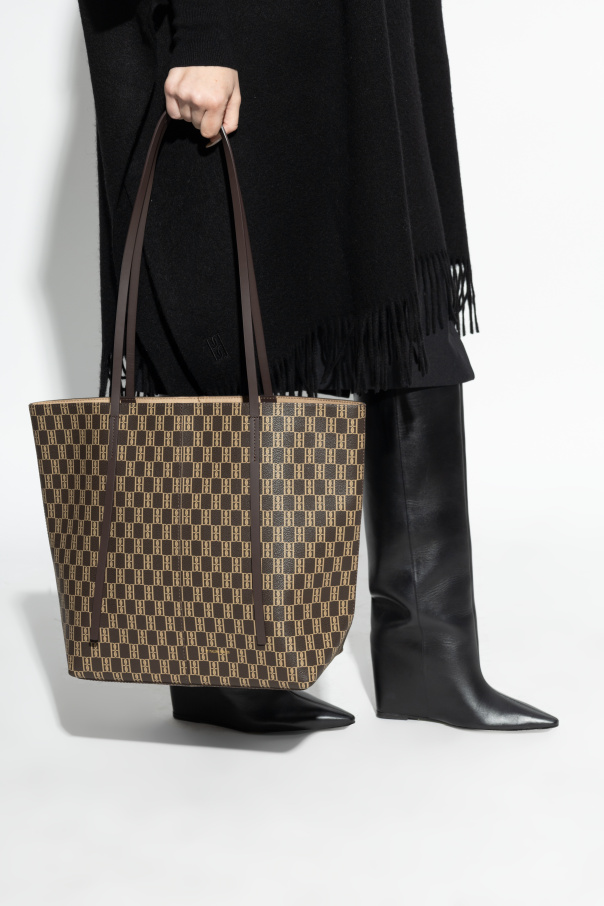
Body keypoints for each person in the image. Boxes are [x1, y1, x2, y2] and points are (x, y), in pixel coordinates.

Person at [78, 0, 558, 732]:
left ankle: (429, 659)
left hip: (355, 25)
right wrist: (205, 30)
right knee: (217, 288)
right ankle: (216, 659)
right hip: (237, 25)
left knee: (399, 290)